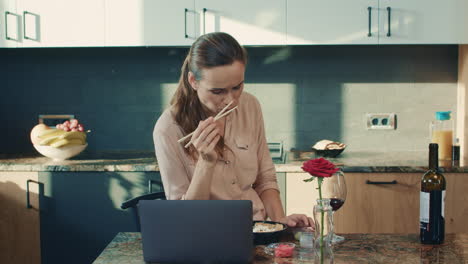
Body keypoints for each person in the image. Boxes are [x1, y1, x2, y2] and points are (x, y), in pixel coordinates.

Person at [153, 32, 313, 228]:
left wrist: (280, 220)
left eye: (237, 87)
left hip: (257, 228)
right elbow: (185, 218)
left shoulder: (250, 105)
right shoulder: (167, 129)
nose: (231, 101)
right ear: (193, 81)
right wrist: (206, 162)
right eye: (218, 91)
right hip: (207, 234)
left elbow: (265, 179)